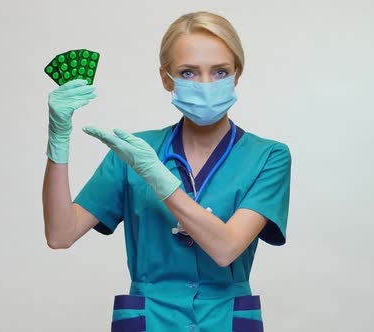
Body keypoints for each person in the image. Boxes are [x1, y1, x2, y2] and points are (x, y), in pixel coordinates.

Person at [42, 11, 292, 332]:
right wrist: (58, 139)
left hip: (225, 320)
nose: (205, 84)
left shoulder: (268, 156)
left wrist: (159, 178)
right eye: (188, 72)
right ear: (166, 78)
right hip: (150, 320)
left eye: (220, 71)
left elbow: (226, 248)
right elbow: (61, 234)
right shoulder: (132, 152)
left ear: (237, 75)